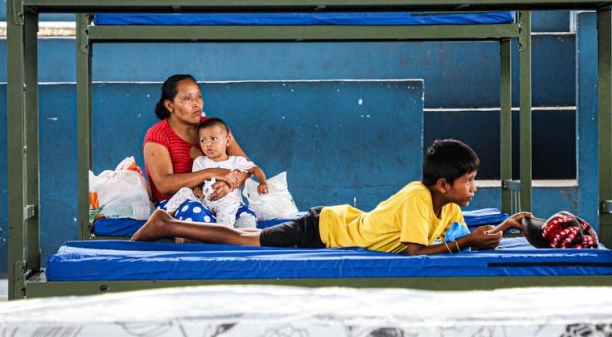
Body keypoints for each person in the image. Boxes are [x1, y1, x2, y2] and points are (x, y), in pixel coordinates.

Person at [132, 138, 531, 255]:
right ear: (443, 184)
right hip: (324, 228)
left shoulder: (445, 208)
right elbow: (415, 254)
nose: (473, 189)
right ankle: (166, 222)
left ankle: (167, 224)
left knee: (245, 239)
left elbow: (462, 234)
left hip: (333, 224)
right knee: (242, 240)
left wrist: (503, 227)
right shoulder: (417, 198)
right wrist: (467, 243)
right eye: (469, 181)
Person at [142, 74, 253, 222]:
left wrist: (228, 185)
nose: (197, 104)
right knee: (196, 216)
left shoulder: (215, 128)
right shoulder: (158, 135)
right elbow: (164, 185)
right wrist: (212, 173)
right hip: (176, 203)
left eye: (199, 97)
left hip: (218, 199)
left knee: (247, 219)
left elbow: (247, 167)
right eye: (187, 99)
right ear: (170, 106)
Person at [162, 117, 269, 227]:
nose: (208, 144)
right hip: (205, 200)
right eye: (203, 140)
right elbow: (196, 182)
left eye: (213, 139)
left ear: (227, 140)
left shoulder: (236, 161)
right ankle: (164, 216)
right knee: (184, 191)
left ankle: (223, 232)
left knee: (228, 210)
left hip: (226, 201)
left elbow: (255, 169)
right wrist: (197, 189)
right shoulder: (200, 162)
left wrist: (262, 182)